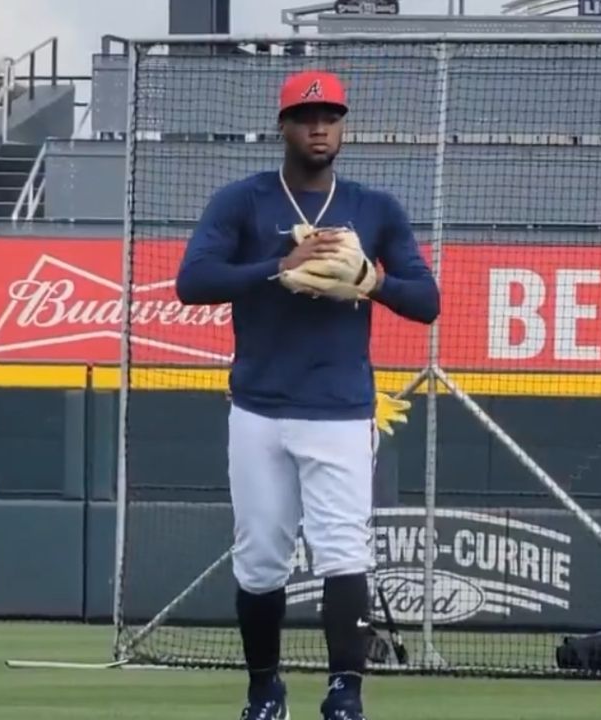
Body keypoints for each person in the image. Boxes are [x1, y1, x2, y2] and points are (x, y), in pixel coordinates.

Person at [174, 69, 440, 720]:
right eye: (306, 115)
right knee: (261, 557)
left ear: (343, 126)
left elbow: (427, 301)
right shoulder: (245, 200)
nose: (320, 126)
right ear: (284, 125)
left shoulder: (375, 208)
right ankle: (265, 692)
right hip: (259, 407)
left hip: (341, 409)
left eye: (331, 115)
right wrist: (277, 268)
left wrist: (370, 280)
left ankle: (345, 694)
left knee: (343, 551)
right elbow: (192, 281)